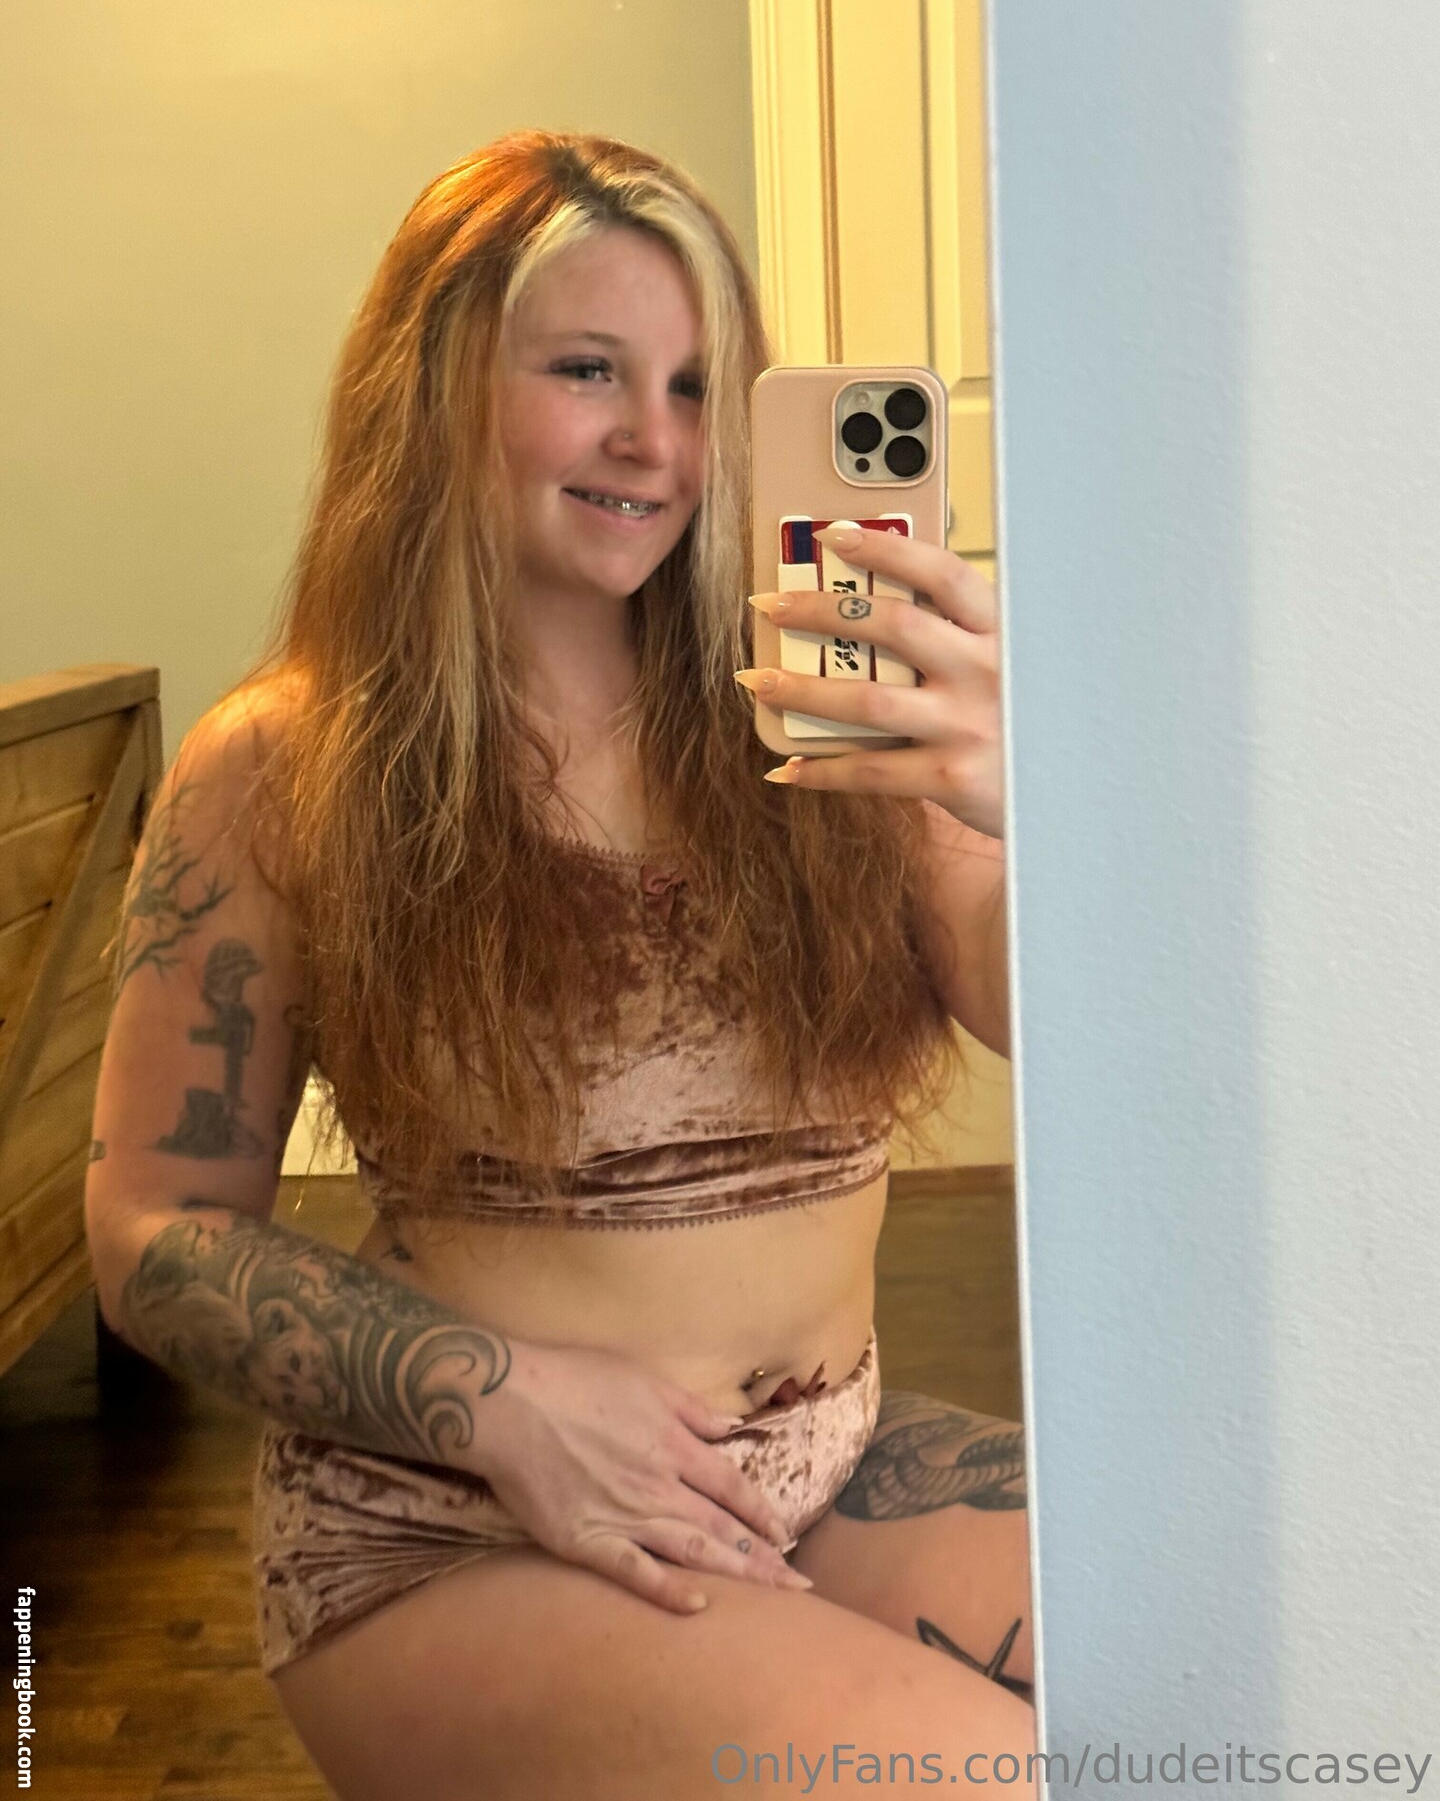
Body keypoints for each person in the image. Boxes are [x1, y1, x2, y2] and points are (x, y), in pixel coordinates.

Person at [85, 129, 1036, 1799]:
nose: (652, 441)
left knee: (1254, 1658)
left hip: (821, 1466)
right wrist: (509, 1401)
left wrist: (1013, 796)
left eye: (693, 386)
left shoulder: (822, 715)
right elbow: (152, 1232)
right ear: (437, 387)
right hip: (462, 1525)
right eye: (588, 370)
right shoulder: (286, 766)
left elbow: (1042, 1011)